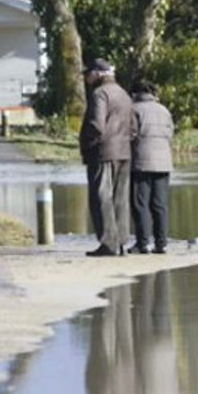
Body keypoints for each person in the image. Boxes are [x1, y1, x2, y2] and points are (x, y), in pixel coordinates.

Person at [79, 58, 133, 257]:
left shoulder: (99, 94)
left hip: (103, 153)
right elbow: (133, 127)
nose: (86, 78)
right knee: (120, 199)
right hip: (124, 152)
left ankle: (108, 244)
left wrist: (89, 143)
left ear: (98, 74)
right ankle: (121, 243)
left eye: (88, 74)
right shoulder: (124, 94)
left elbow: (97, 125)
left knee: (102, 197)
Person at [128, 81, 174, 255]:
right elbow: (170, 134)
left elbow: (131, 134)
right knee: (160, 204)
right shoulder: (164, 110)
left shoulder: (134, 109)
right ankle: (161, 244)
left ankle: (143, 243)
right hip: (164, 162)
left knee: (140, 204)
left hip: (141, 162)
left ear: (135, 94)